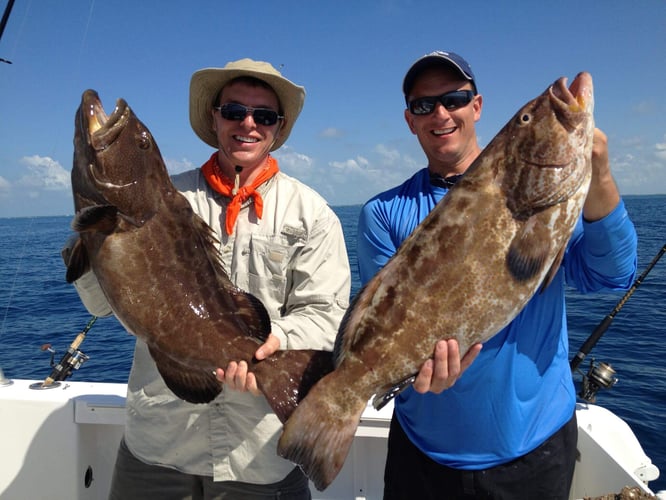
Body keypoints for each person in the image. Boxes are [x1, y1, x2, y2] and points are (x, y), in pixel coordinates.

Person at [356, 50, 638, 499]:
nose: (441, 114)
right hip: (422, 450)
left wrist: (598, 173)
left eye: (454, 98)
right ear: (410, 120)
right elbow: (385, 324)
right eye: (424, 105)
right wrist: (405, 370)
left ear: (477, 106)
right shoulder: (383, 214)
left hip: (534, 446)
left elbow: (612, 276)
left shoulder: (541, 199)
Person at [67, 58, 351, 499]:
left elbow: (326, 315)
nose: (248, 124)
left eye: (264, 116)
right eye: (235, 111)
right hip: (158, 446)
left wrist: (272, 347)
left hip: (260, 456)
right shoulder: (169, 197)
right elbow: (101, 306)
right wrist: (89, 236)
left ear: (278, 127)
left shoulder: (312, 214)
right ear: (215, 117)